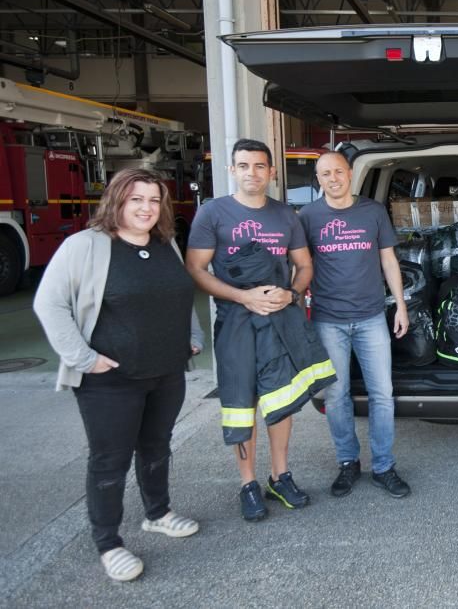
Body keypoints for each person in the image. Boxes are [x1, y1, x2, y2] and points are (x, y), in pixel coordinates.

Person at [34, 168, 203, 582]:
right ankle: (108, 543)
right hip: (109, 380)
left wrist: (193, 336)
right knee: (109, 462)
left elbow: (180, 295)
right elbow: (49, 304)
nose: (147, 208)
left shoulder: (165, 245)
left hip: (165, 372)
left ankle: (157, 513)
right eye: (136, 199)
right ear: (117, 202)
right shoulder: (85, 246)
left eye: (154, 199)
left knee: (157, 447)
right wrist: (83, 358)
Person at [186, 138, 319, 521]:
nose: (252, 173)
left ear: (271, 172)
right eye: (243, 166)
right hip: (236, 323)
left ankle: (280, 476)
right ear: (231, 170)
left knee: (281, 400)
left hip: (279, 321)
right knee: (241, 405)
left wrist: (291, 294)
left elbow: (305, 266)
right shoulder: (213, 214)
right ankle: (248, 483)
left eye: (260, 166)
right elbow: (195, 269)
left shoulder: (286, 216)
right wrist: (243, 298)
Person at [299, 150, 412, 499]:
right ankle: (348, 463)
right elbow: (299, 265)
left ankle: (383, 466)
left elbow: (389, 261)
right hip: (327, 320)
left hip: (371, 317)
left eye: (338, 171)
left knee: (382, 395)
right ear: (317, 180)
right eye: (325, 174)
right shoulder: (307, 217)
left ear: (350, 174)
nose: (333, 179)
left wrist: (401, 306)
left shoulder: (372, 212)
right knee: (336, 395)